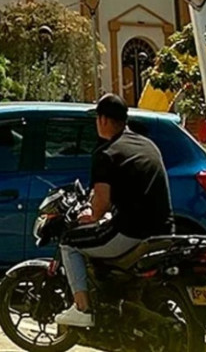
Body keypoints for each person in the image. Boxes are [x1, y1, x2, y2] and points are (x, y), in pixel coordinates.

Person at [54, 93, 175, 328]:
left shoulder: (106, 153)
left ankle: (82, 308)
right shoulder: (147, 144)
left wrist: (89, 215)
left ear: (103, 120)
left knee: (69, 242)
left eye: (96, 118)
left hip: (131, 232)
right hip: (164, 229)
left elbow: (100, 206)